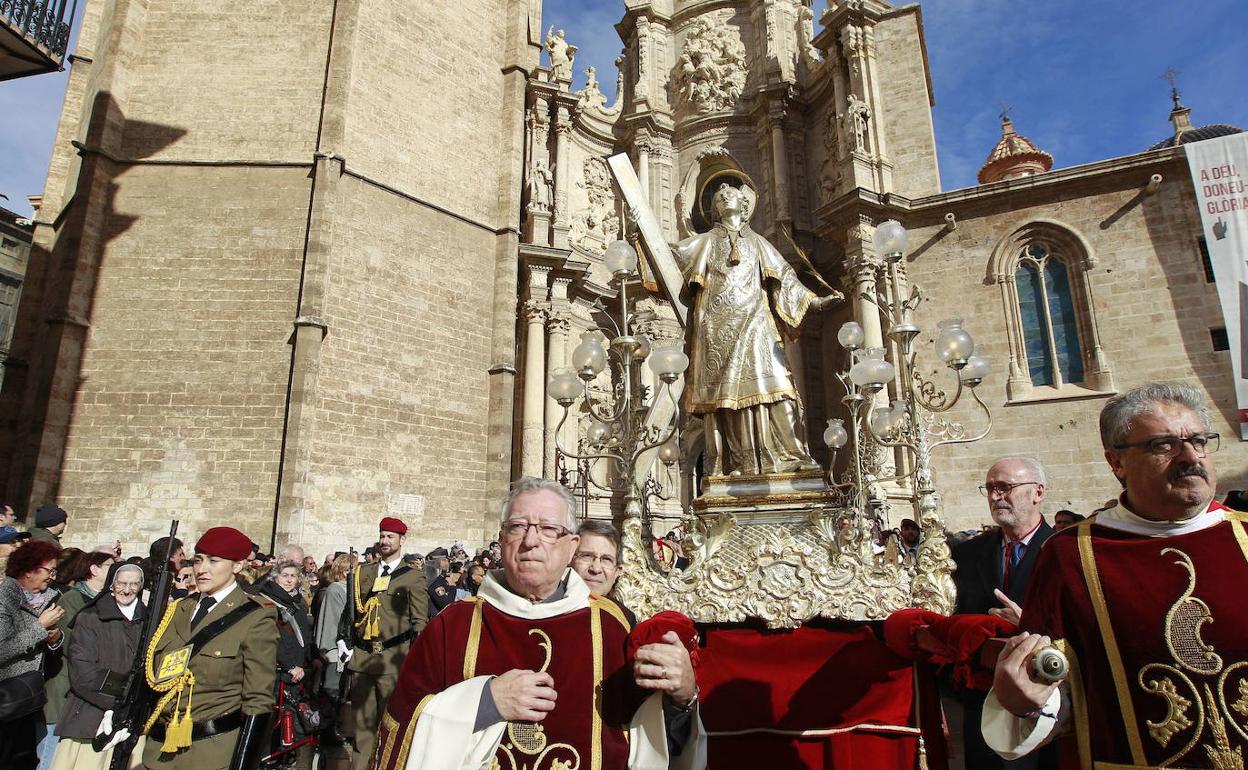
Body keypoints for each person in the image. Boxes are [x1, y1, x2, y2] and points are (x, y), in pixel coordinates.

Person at [985, 382, 1248, 767]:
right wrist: (1026, 702)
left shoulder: (1244, 535)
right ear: (1116, 463)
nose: (1190, 456)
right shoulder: (1071, 554)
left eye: (1199, 440)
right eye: (1163, 445)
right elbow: (1054, 687)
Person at [370, 477, 705, 770]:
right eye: (518, 527)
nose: (531, 541)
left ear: (571, 545)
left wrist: (682, 697)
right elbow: (400, 729)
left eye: (548, 529)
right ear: (502, 540)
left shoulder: (611, 626)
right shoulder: (453, 626)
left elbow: (652, 738)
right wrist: (485, 701)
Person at [673, 182, 838, 476]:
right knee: (727, 401)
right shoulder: (706, 241)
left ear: (745, 205)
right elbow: (671, 256)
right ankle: (738, 463)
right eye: (719, 196)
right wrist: (640, 234)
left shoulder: (759, 242)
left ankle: (790, 455)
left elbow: (785, 278)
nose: (724, 194)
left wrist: (814, 303)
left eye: (731, 193)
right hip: (717, 333)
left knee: (779, 389)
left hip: (757, 327)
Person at [139, 526, 278, 770]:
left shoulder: (255, 616)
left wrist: (244, 763)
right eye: (198, 560)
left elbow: (258, 698)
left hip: (212, 753)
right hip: (158, 751)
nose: (201, 569)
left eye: (214, 561)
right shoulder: (178, 609)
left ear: (237, 566)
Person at [951, 456, 1055, 770]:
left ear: (1037, 492)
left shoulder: (1064, 550)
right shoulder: (967, 553)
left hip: (1044, 701)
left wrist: (1027, 624)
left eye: (1005, 487)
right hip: (982, 702)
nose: (996, 496)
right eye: (991, 488)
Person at [341, 517, 426, 770]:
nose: (384, 541)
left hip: (392, 661)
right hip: (362, 660)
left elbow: (420, 622)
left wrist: (415, 664)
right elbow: (351, 613)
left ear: (402, 540)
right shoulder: (362, 574)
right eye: (382, 535)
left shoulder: (413, 577)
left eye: (390, 536)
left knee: (390, 727)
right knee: (362, 730)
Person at [49, 563, 146, 770]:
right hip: (91, 716)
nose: (127, 590)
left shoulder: (150, 621)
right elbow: (83, 673)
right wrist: (120, 699)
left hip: (135, 720)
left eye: (134, 584)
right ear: (111, 584)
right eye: (121, 583)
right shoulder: (91, 618)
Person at [42, 550, 116, 763]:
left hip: (87, 691)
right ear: (94, 570)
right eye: (110, 566)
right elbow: (69, 643)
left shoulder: (106, 601)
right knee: (50, 754)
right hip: (64, 686)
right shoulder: (72, 598)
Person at [0, 540, 65, 770]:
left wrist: (55, 640)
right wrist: (39, 627)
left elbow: (48, 648)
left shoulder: (48, 599)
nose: (53, 577)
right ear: (28, 570)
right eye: (49, 570)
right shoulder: (4, 600)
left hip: (29, 700)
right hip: (6, 700)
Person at [259, 561, 314, 770]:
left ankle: (287, 754)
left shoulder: (297, 601)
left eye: (293, 576)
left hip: (299, 668)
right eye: (285, 575)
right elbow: (273, 637)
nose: (290, 580)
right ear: (275, 578)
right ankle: (268, 757)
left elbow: (305, 636)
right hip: (278, 669)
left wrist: (311, 658)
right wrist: (290, 665)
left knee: (293, 715)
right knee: (273, 716)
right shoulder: (268, 601)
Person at [572, 519, 635, 625]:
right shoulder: (547, 609)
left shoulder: (625, 619)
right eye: (587, 556)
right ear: (570, 559)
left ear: (617, 572)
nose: (596, 569)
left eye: (606, 559)